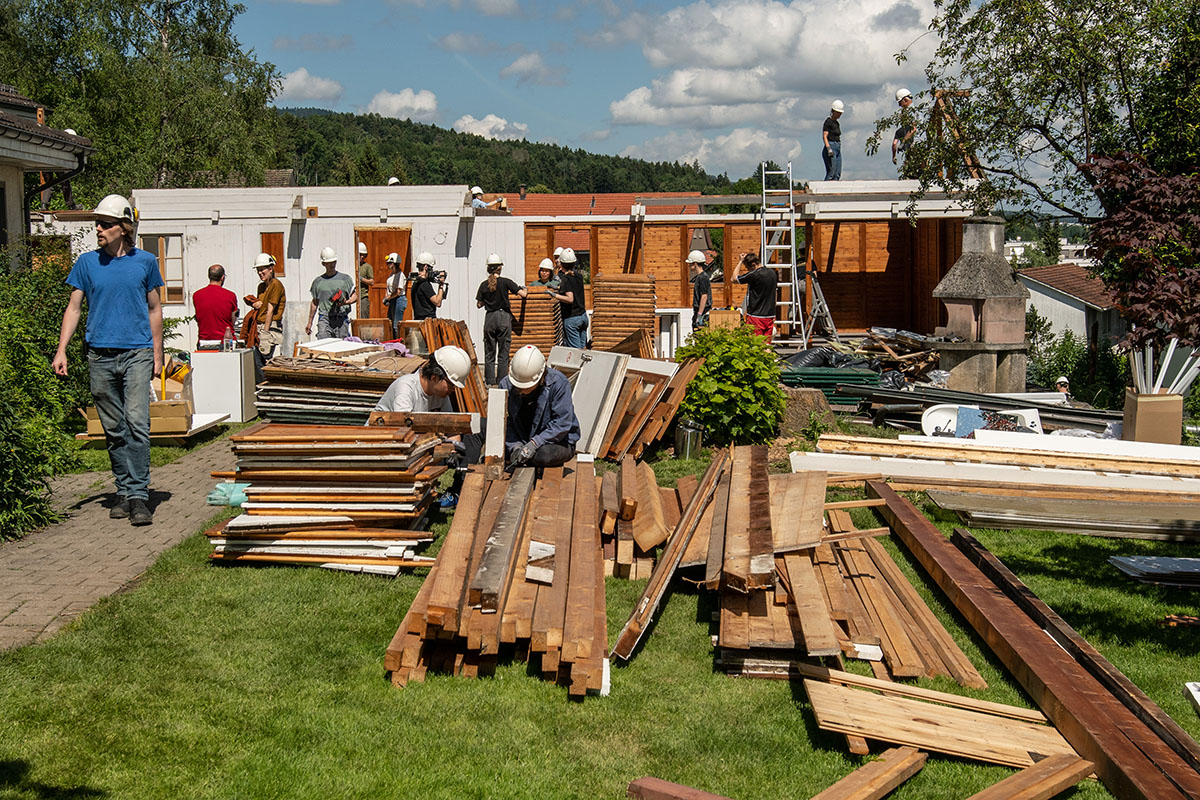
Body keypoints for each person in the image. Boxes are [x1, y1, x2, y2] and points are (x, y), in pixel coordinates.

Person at [52, 194, 163, 526]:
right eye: (97, 223)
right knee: (114, 429)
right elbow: (74, 308)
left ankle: (140, 497)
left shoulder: (145, 262)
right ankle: (123, 491)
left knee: (137, 424)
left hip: (137, 353)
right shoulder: (86, 263)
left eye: (105, 224)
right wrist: (61, 350)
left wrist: (157, 354)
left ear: (123, 227)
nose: (98, 228)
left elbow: (155, 309)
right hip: (99, 354)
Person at [500, 345, 580, 469]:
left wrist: (534, 443)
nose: (522, 390)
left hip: (556, 442)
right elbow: (505, 422)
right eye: (519, 386)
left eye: (526, 387)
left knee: (543, 455)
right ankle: (520, 456)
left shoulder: (558, 383)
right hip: (522, 439)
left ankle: (528, 458)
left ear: (541, 376)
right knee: (496, 446)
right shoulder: (506, 385)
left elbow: (562, 423)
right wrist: (515, 447)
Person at [476, 253, 529, 385]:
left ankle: (489, 381)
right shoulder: (506, 282)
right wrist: (524, 288)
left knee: (489, 353)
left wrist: (488, 301)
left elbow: (479, 304)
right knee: (503, 353)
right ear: (500, 268)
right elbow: (523, 294)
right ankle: (501, 381)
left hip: (490, 318)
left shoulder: (483, 285)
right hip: (503, 317)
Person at [373, 345, 471, 413]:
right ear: (434, 378)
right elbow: (404, 432)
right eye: (452, 385)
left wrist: (455, 443)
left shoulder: (441, 394)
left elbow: (451, 430)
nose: (453, 389)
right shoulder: (406, 388)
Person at [249, 253, 285, 384]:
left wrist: (265, 332)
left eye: (262, 269)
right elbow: (262, 306)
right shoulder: (262, 286)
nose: (260, 273)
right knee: (258, 361)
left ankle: (267, 387)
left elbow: (270, 311)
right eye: (258, 270)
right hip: (260, 325)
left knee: (266, 362)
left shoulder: (276, 284)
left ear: (271, 269)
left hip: (270, 326)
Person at [305, 247, 357, 339]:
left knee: (343, 345)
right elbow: (315, 302)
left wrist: (347, 302)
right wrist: (310, 322)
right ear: (323, 264)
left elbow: (355, 296)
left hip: (341, 317)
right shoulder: (318, 282)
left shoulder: (345, 279)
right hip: (325, 318)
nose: (332, 265)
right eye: (329, 263)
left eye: (333, 262)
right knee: (324, 345)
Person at [548, 247, 588, 348]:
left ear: (561, 263)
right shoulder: (579, 276)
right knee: (583, 349)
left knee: (576, 352)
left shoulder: (565, 279)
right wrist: (558, 287)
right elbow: (573, 288)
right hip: (583, 316)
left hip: (572, 319)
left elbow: (570, 299)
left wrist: (555, 295)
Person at [192, 264, 237, 348]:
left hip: (204, 342)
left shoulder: (197, 295)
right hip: (225, 342)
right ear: (222, 277)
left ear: (209, 276)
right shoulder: (230, 295)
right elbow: (233, 320)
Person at [736, 252, 778, 341]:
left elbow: (733, 278)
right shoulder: (772, 273)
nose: (748, 271)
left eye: (748, 268)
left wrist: (740, 262)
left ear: (753, 265)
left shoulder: (754, 274)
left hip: (756, 316)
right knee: (767, 345)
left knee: (755, 345)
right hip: (770, 315)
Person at [410, 251, 446, 321]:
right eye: (431, 268)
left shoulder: (415, 283)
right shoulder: (424, 285)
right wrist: (441, 285)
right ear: (426, 267)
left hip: (418, 320)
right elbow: (438, 302)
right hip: (428, 323)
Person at [687, 249, 712, 331]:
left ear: (695, 263)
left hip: (703, 312)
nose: (689, 266)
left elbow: (704, 296)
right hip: (699, 311)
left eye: (690, 264)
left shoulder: (702, 277)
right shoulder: (700, 277)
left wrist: (699, 315)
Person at [384, 252, 407, 338]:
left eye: (390, 263)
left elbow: (398, 291)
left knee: (396, 325)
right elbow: (389, 288)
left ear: (394, 264)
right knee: (389, 322)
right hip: (392, 300)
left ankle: (399, 341)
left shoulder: (400, 275)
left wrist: (388, 298)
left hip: (399, 300)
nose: (388, 265)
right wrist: (387, 297)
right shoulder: (392, 275)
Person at [892, 88, 915, 168]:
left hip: (915, 147)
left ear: (905, 100)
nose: (899, 105)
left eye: (900, 102)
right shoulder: (915, 112)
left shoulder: (910, 112)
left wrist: (903, 142)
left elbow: (913, 129)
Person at [822, 100, 844, 181]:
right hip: (831, 146)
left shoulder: (837, 123)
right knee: (831, 172)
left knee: (837, 173)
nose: (839, 115)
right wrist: (828, 148)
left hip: (837, 147)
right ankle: (824, 188)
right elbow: (824, 136)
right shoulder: (828, 122)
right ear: (833, 111)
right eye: (838, 112)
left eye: (840, 113)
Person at [357, 242, 374, 319]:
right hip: (352, 298)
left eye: (364, 255)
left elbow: (371, 282)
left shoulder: (367, 267)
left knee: (364, 320)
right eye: (360, 254)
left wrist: (360, 278)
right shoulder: (353, 266)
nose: (362, 256)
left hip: (363, 297)